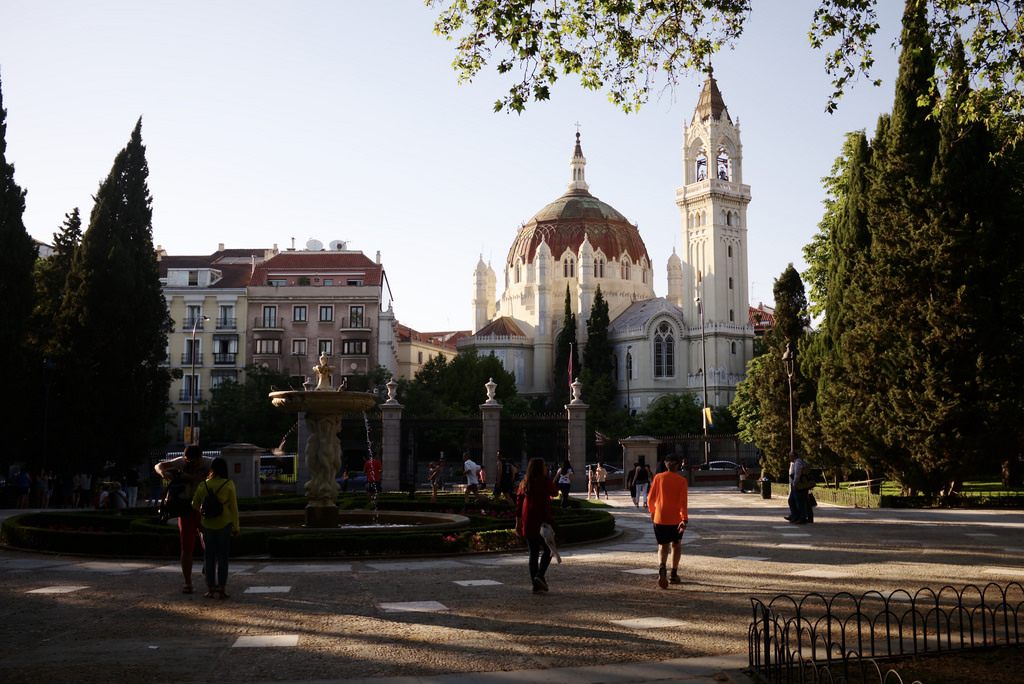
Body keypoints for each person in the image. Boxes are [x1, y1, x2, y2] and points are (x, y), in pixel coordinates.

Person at [155, 445, 212, 594]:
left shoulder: (209, 463)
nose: (191, 464)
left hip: (204, 506)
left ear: (201, 458)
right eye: (189, 461)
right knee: (186, 546)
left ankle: (209, 566)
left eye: (195, 462)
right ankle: (187, 582)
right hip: (185, 507)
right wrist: (163, 472)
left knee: (210, 543)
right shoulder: (182, 462)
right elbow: (159, 465)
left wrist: (190, 477)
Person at [191, 457, 240, 599]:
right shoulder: (228, 484)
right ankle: (222, 588)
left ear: (211, 469)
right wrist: (236, 527)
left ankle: (210, 588)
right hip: (224, 524)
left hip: (206, 525)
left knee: (209, 557)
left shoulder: (204, 485)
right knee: (223, 557)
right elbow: (234, 508)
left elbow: (194, 505)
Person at [515, 457, 559, 592]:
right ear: (541, 468)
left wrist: (518, 523)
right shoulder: (545, 481)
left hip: (528, 521)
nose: (546, 467)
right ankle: (540, 575)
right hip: (543, 521)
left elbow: (518, 504)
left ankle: (536, 585)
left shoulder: (524, 482)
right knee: (549, 549)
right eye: (545, 465)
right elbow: (555, 492)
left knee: (533, 554)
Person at [647, 456, 689, 589]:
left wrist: (653, 512)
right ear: (677, 466)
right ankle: (673, 574)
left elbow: (650, 498)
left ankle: (662, 567)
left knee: (662, 546)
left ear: (666, 465)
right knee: (676, 545)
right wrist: (684, 518)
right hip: (676, 519)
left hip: (660, 518)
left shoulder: (658, 478)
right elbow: (683, 501)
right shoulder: (682, 480)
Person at [787, 451, 812, 524]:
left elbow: (797, 475)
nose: (789, 458)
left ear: (794, 456)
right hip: (795, 485)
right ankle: (795, 516)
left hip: (798, 485)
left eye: (790, 456)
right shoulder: (795, 463)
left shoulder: (798, 463)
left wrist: (795, 484)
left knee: (799, 501)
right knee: (792, 500)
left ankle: (802, 517)